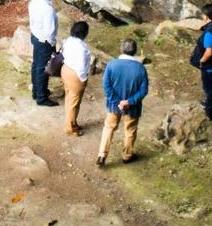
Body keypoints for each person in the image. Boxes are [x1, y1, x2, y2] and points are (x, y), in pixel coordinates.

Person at [98, 38, 149, 166]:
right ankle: (127, 156)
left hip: (113, 106)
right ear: (135, 51)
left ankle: (102, 155)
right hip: (132, 108)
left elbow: (106, 86)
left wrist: (117, 102)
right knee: (130, 130)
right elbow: (143, 91)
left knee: (109, 128)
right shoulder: (140, 69)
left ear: (121, 49)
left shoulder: (111, 64)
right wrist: (129, 102)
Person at [28, 0, 59, 107]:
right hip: (44, 41)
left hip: (35, 36)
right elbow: (49, 31)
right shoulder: (48, 10)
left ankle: (37, 91)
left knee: (36, 65)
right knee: (44, 69)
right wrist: (52, 44)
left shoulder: (34, 2)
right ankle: (41, 97)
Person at [60, 21, 91, 136]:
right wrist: (83, 79)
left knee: (69, 98)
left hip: (66, 70)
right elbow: (82, 67)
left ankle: (72, 122)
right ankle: (71, 128)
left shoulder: (68, 40)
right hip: (75, 75)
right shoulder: (82, 47)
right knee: (74, 102)